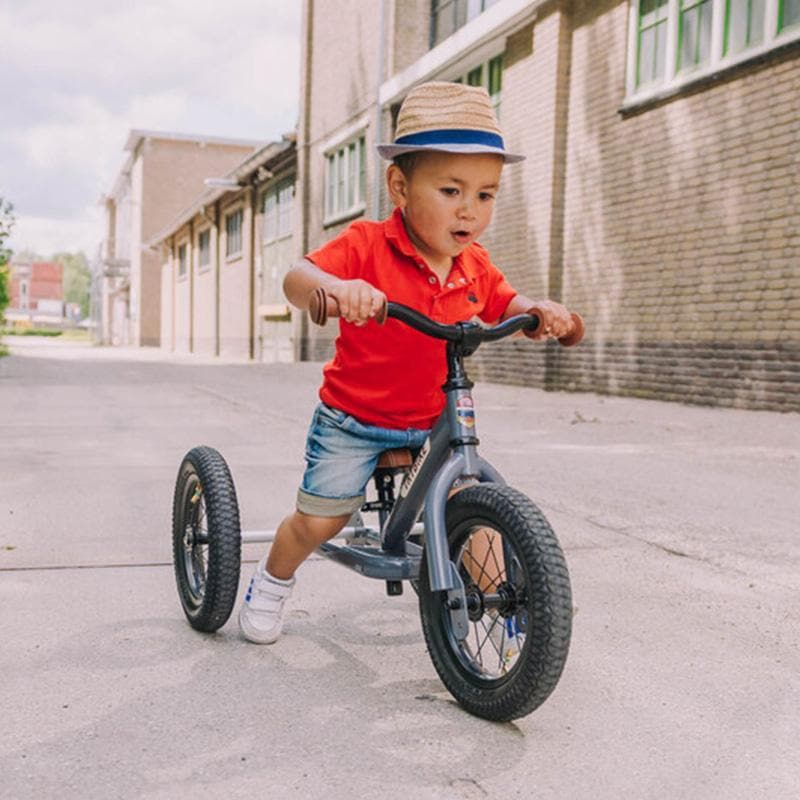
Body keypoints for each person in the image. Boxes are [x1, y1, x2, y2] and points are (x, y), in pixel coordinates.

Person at [238, 81, 577, 644]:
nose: (470, 209)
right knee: (321, 521)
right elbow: (297, 278)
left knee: (474, 504)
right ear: (400, 185)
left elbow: (506, 303)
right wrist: (337, 287)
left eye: (486, 195)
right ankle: (272, 581)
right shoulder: (367, 245)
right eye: (450, 190)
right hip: (354, 419)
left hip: (433, 425)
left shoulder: (476, 264)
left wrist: (537, 311)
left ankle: (504, 615)